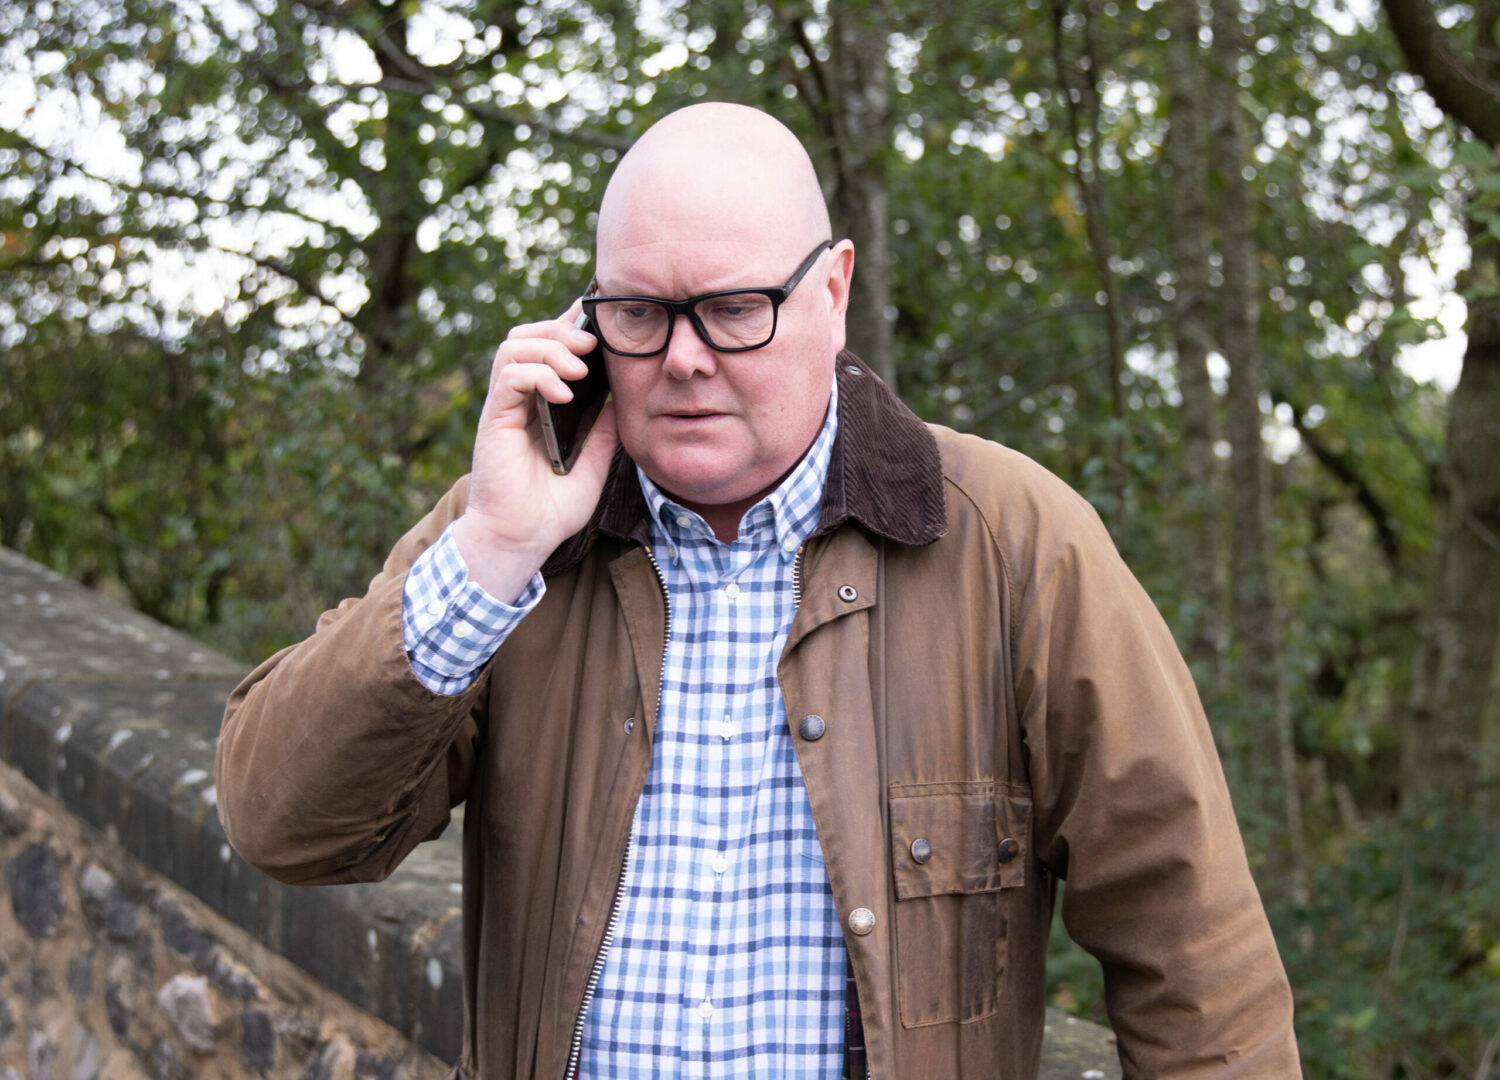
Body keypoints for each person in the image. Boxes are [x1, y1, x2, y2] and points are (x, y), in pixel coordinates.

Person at [217, 103, 1299, 1079]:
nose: (683, 359)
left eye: (735, 309)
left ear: (832, 291)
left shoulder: (1013, 544)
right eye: (639, 312)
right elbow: (284, 828)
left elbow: (1193, 951)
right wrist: (494, 552)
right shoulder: (516, 534)